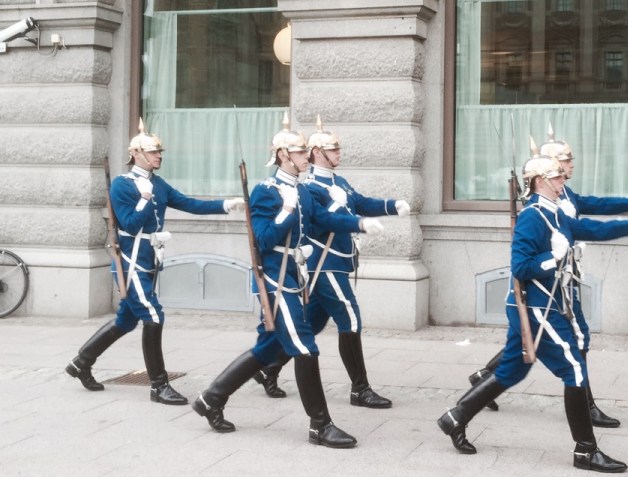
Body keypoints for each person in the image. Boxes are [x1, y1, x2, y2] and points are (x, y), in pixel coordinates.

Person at [437, 153, 628, 472]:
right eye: (557, 176)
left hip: (542, 304)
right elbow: (520, 267)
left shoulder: (554, 212)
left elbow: (588, 229)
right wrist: (552, 258)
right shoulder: (532, 216)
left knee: (511, 371)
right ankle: (585, 450)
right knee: (575, 368)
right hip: (535, 306)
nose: (563, 180)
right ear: (540, 181)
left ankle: (455, 417)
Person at [192, 116, 381, 445]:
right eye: (300, 152)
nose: (307, 156)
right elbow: (263, 240)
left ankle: (211, 399)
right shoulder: (266, 191)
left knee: (269, 348)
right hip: (274, 281)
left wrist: (360, 224)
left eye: (306, 151)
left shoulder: (302, 190)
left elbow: (324, 218)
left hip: (294, 276)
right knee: (305, 347)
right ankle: (320, 425)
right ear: (282, 155)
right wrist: (285, 212)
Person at [468, 127, 628, 426]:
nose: (569, 168)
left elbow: (594, 211)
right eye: (564, 163)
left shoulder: (563, 195)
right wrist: (555, 255)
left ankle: (477, 388)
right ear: (547, 171)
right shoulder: (539, 206)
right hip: (548, 285)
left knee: (530, 346)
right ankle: (585, 408)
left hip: (564, 278)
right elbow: (524, 261)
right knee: (567, 344)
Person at [66, 119, 244, 404]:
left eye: (159, 152)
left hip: (149, 260)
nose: (159, 156)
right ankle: (159, 385)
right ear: (136, 154)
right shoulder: (123, 185)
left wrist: (225, 204)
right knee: (153, 316)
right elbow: (130, 224)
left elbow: (189, 203)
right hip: (130, 262)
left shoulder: (157, 183)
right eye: (153, 152)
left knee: (126, 320)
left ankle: (81, 362)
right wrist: (144, 199)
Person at [255, 117, 407, 407]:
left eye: (338, 148)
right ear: (317, 153)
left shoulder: (340, 182)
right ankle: (360, 389)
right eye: (333, 149)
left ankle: (268, 367)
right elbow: (322, 221)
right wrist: (352, 217)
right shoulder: (310, 186)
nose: (339, 153)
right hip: (324, 264)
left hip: (338, 262)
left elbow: (361, 202)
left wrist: (391, 206)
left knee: (311, 323)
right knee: (350, 318)